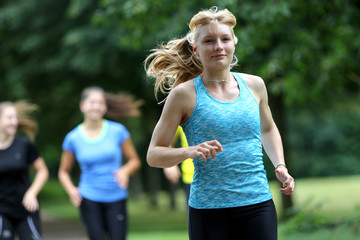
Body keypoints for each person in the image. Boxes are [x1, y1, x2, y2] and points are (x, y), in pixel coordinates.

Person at [145, 6, 295, 240]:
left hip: (257, 204)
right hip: (209, 210)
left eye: (225, 39)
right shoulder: (184, 95)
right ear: (196, 49)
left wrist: (281, 166)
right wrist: (189, 151)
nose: (218, 46)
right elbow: (154, 155)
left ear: (234, 42)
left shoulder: (255, 85)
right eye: (209, 41)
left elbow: (267, 128)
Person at [58, 87, 142, 240]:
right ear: (82, 105)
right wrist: (71, 190)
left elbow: (135, 161)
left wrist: (125, 171)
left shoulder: (118, 131)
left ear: (105, 107)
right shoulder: (73, 138)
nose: (96, 107)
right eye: (92, 102)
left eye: (100, 103)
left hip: (116, 196)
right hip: (89, 197)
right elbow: (63, 171)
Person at [0, 101, 49, 240]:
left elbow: (43, 171)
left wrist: (32, 193)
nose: (14, 122)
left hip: (26, 208)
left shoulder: (24, 144)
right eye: (9, 118)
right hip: (2, 210)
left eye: (15, 118)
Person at [163, 126, 194, 206]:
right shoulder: (182, 113)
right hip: (192, 178)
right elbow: (163, 142)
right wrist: (169, 163)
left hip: (227, 176)